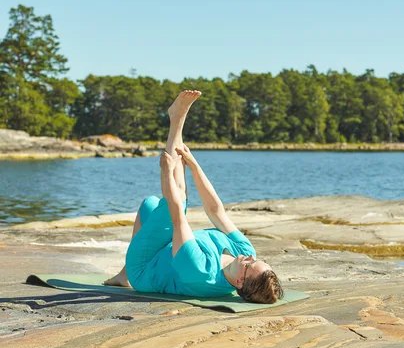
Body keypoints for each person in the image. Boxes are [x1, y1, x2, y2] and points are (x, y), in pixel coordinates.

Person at [105, 90, 284, 304]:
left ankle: (176, 119)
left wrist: (166, 172)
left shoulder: (199, 271)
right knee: (150, 204)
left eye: (249, 265)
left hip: (145, 268)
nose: (250, 257)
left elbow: (177, 215)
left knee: (178, 198)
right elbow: (216, 211)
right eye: (257, 260)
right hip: (164, 252)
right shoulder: (244, 252)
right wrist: (194, 164)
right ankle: (122, 275)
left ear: (238, 282)